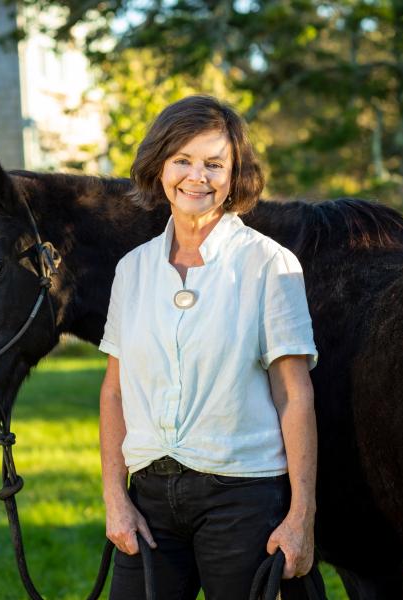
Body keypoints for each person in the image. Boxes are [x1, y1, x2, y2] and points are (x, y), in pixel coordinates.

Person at [98, 95, 319, 600]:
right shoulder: (131, 270)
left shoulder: (270, 264)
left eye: (214, 164)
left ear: (234, 174)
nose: (197, 176)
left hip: (242, 498)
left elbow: (294, 395)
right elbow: (114, 393)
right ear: (159, 166)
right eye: (183, 160)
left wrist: (300, 517)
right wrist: (116, 497)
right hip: (149, 499)